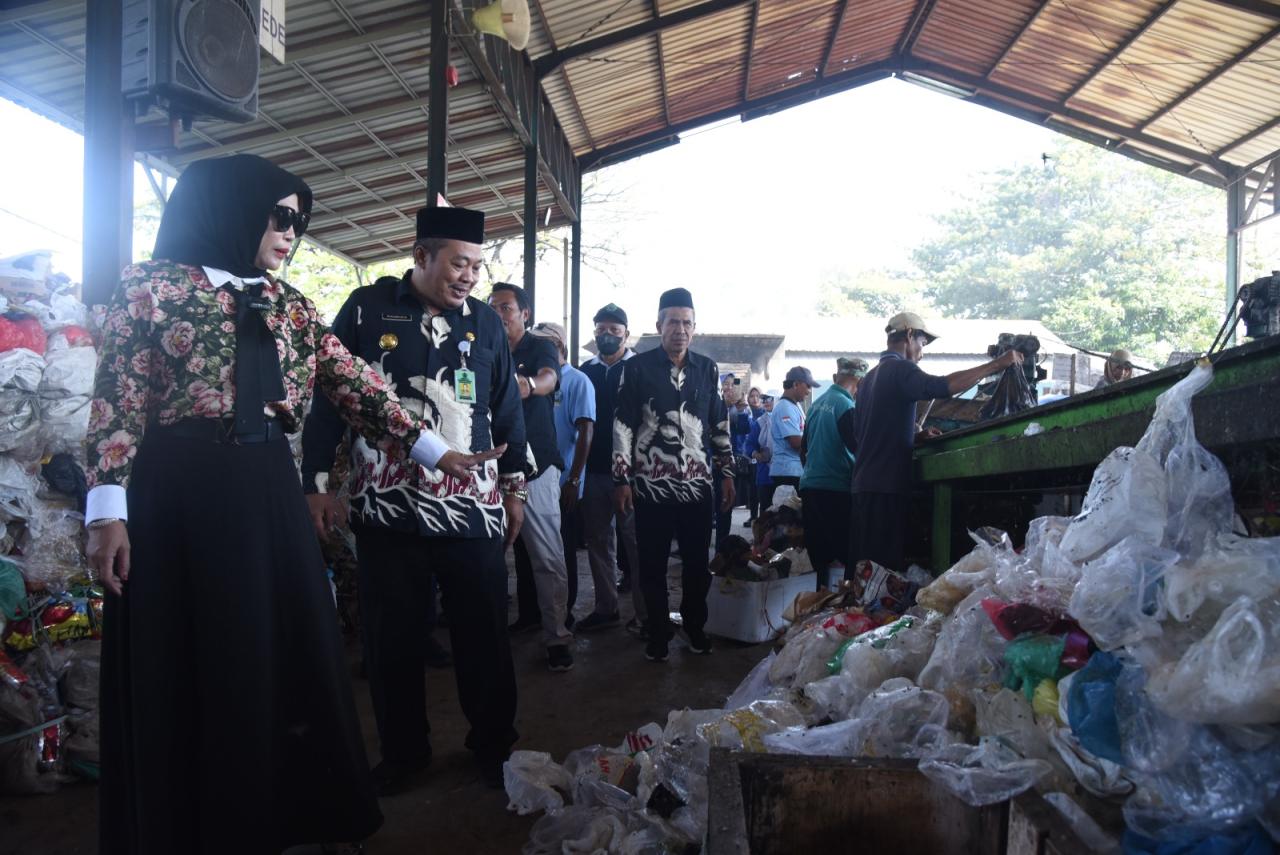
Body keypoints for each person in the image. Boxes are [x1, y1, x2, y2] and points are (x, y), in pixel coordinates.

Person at [84, 156, 511, 854]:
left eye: (298, 220)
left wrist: (437, 451)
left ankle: (281, 811)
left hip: (264, 490)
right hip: (178, 497)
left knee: (276, 646)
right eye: (279, 216)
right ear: (227, 210)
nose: (291, 233)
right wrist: (107, 513)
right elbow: (117, 406)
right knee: (195, 654)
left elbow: (356, 387)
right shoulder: (150, 290)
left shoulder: (290, 306)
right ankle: (189, 820)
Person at [299, 206, 527, 796]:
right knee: (391, 640)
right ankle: (403, 752)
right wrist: (317, 483)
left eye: (477, 266)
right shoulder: (366, 309)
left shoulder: (486, 324)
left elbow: (506, 411)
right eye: (459, 263)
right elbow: (330, 398)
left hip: (470, 508)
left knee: (483, 632)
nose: (469, 277)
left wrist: (514, 489)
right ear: (421, 256)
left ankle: (493, 744)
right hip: (388, 509)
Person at [846, 312, 1022, 573]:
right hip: (886, 487)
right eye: (922, 344)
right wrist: (996, 365)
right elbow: (942, 386)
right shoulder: (901, 368)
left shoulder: (870, 377)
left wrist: (915, 437)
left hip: (863, 486)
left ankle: (852, 613)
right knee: (881, 573)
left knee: (864, 570)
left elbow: (867, 435)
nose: (922, 352)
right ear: (909, 336)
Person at [613, 287, 735, 662]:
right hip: (651, 488)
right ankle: (659, 634)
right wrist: (621, 478)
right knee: (651, 564)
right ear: (659, 326)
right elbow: (623, 425)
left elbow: (718, 423)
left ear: (694, 328)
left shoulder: (708, 369)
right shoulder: (635, 369)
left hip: (698, 489)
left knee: (698, 565)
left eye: (686, 323)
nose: (679, 329)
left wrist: (727, 471)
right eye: (672, 322)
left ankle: (695, 629)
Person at [489, 283, 575, 672]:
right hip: (490, 468)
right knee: (488, 558)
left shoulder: (539, 346)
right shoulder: (483, 349)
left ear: (524, 313)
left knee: (546, 556)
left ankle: (557, 638)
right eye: (493, 308)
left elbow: (548, 378)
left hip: (536, 468)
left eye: (506, 308)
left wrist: (528, 386)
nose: (499, 314)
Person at [578, 303, 648, 634]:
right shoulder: (584, 372)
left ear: (626, 334)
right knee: (597, 540)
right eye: (601, 329)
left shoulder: (642, 369)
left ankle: (647, 615)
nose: (607, 335)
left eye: (614, 330)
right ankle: (607, 608)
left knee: (636, 543)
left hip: (632, 475)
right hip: (592, 472)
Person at [528, 321, 595, 631]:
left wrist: (574, 480)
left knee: (560, 552)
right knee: (528, 552)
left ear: (557, 346)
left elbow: (586, 431)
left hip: (564, 483)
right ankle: (530, 615)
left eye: (542, 344)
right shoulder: (529, 377)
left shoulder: (577, 381)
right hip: (529, 477)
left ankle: (563, 616)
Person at [799, 357, 868, 589]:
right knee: (849, 555)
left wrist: (814, 472)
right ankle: (845, 607)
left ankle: (816, 607)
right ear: (859, 382)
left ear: (836, 377)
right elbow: (859, 449)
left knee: (818, 557)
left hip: (809, 488)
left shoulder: (816, 404)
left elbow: (803, 450)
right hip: (836, 490)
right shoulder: (846, 406)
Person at [770, 366, 821, 490]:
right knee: (789, 509)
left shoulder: (794, 405)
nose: (809, 390)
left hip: (795, 470)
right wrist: (821, 444)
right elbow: (795, 441)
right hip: (787, 472)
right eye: (808, 386)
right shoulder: (785, 407)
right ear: (796, 384)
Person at [745, 390, 778, 516]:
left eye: (769, 399)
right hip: (765, 473)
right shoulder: (760, 422)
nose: (765, 402)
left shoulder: (785, 418)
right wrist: (756, 454)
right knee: (766, 513)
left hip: (783, 472)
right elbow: (749, 444)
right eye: (763, 399)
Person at [743, 387, 764, 521]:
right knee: (752, 486)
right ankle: (753, 516)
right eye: (752, 396)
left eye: (758, 396)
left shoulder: (766, 413)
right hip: (749, 454)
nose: (755, 399)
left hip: (763, 456)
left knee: (761, 487)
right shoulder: (746, 413)